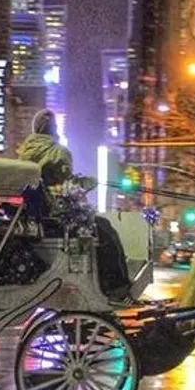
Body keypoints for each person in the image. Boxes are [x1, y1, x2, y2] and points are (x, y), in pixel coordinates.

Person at [17, 109, 131, 300]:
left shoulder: (24, 154)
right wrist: (88, 183)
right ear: (54, 129)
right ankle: (117, 286)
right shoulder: (59, 152)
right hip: (55, 221)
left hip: (35, 221)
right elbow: (66, 189)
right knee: (105, 229)